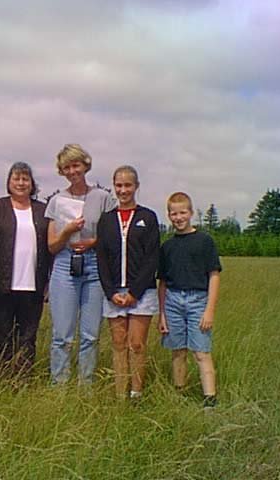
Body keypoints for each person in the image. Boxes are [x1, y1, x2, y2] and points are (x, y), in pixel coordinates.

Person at [45, 144, 116, 385]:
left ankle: (86, 385)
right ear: (61, 171)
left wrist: (92, 242)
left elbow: (112, 236)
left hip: (95, 266)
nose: (72, 171)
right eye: (66, 167)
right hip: (65, 264)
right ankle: (59, 385)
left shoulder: (103, 198)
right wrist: (66, 232)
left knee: (90, 334)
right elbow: (52, 246)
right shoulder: (56, 201)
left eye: (76, 165)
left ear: (85, 165)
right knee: (62, 334)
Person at [96, 165, 159, 400]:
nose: (123, 190)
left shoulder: (147, 217)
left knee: (136, 344)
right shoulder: (106, 220)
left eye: (128, 185)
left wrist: (134, 291)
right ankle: (120, 394)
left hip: (141, 292)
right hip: (114, 293)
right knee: (119, 343)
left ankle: (136, 393)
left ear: (136, 186)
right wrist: (111, 292)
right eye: (119, 186)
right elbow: (101, 258)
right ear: (114, 187)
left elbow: (152, 257)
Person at [157, 192, 222, 409]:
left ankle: (210, 400)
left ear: (191, 213)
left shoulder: (204, 241)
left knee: (201, 351)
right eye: (174, 213)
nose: (178, 217)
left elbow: (214, 275)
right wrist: (163, 315)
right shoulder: (167, 247)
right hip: (173, 301)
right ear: (169, 215)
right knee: (178, 350)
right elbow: (163, 283)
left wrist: (209, 310)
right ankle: (179, 393)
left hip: (198, 300)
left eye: (183, 212)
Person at [0, 162, 51, 375]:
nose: (21, 183)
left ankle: (22, 380)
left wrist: (49, 282)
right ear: (8, 182)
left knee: (28, 338)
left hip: (33, 286)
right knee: (2, 336)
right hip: (1, 285)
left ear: (32, 184)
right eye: (17, 178)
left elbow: (51, 249)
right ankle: (2, 380)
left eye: (25, 179)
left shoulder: (44, 211)